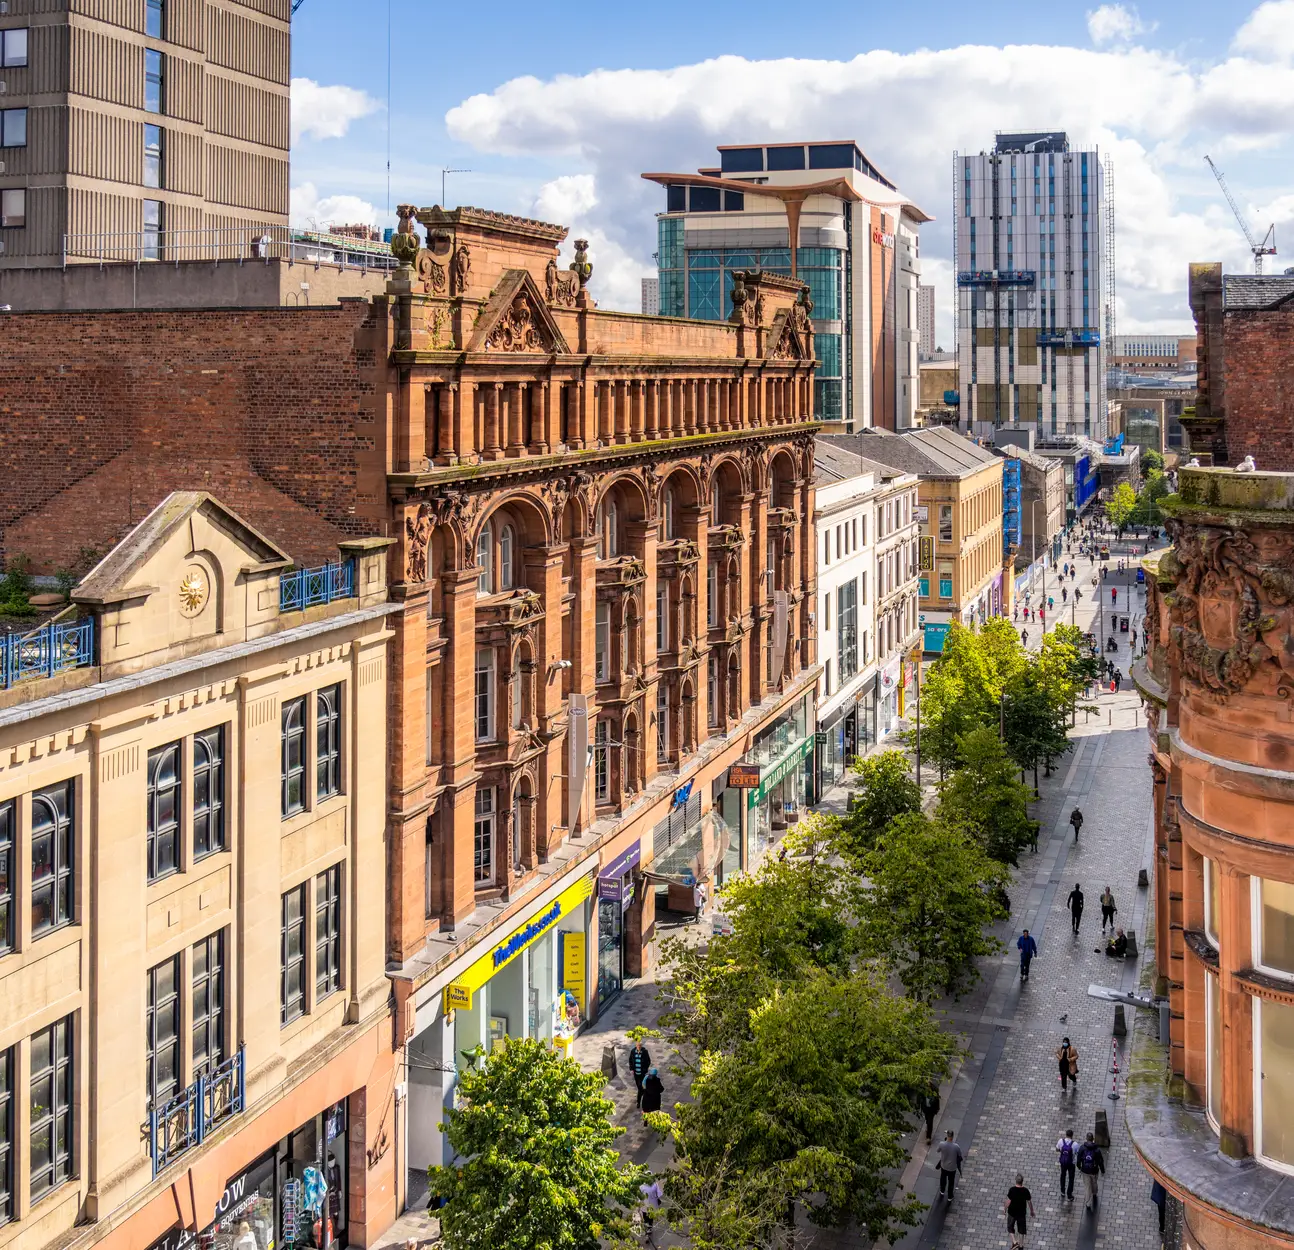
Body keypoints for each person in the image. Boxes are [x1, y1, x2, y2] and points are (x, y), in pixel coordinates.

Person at [1004, 1174, 1035, 1249]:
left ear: (1016, 1180)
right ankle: (1021, 1246)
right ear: (1022, 1181)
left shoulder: (1012, 1190)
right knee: (1021, 1230)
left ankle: (1014, 1242)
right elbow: (1029, 1202)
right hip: (1021, 1214)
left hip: (1012, 1213)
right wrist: (1032, 1211)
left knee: (1010, 1227)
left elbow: (1008, 1201)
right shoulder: (1025, 1191)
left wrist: (1005, 1209)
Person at [934, 1129, 964, 1203]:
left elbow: (937, 1150)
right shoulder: (956, 1146)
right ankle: (950, 1196)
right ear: (953, 1137)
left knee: (943, 1178)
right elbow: (960, 1155)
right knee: (951, 1181)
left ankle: (942, 1190)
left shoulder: (942, 1144)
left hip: (943, 1166)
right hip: (952, 1168)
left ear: (947, 1136)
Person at [1077, 1132, 1105, 1209]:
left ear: (1086, 1138)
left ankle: (1088, 1203)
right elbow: (1100, 1161)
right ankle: (1095, 1193)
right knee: (1094, 1182)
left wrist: (1079, 1167)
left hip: (1085, 1171)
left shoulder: (1082, 1148)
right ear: (1093, 1139)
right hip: (1094, 1170)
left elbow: (1078, 1159)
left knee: (1087, 1187)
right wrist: (1102, 1170)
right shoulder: (1097, 1149)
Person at [639, 1177, 665, 1246]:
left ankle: (647, 1231)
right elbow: (659, 1194)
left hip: (644, 1206)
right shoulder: (655, 1185)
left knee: (645, 1218)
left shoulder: (641, 1187)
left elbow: (638, 1198)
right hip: (653, 1206)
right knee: (651, 1219)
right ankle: (649, 1229)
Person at [628, 1037, 652, 1108]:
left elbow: (648, 1061)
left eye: (640, 1046)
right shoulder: (633, 1051)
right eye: (638, 1045)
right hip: (636, 1073)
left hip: (642, 1073)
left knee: (640, 1088)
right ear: (636, 1045)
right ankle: (645, 1096)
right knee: (640, 1087)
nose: (639, 1047)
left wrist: (645, 1069)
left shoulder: (645, 1052)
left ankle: (638, 1102)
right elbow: (630, 1061)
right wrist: (631, 1069)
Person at [1056, 1129, 1077, 1201]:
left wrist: (1062, 1151)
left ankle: (1062, 1191)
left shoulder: (1061, 1141)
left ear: (1066, 1135)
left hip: (1063, 1162)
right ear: (1072, 1135)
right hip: (1071, 1163)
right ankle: (1069, 1194)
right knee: (1071, 1178)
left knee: (1063, 1176)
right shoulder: (1075, 1144)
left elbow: (1057, 1149)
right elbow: (1077, 1153)